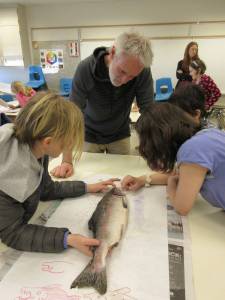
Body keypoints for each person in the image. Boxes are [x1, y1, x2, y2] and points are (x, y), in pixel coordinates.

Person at [0, 92, 118, 255]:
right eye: (65, 144)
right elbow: (12, 234)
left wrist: (87, 187)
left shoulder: (36, 150)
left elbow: (46, 189)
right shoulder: (8, 175)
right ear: (48, 141)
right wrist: (65, 239)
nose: (68, 147)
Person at [51, 31, 154, 178]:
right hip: (89, 134)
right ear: (112, 53)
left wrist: (155, 155)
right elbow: (71, 116)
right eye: (122, 71)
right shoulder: (85, 69)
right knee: (87, 178)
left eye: (132, 76)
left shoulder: (142, 70)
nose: (125, 80)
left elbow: (149, 114)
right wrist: (66, 161)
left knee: (122, 178)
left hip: (120, 133)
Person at [122, 102, 225, 216]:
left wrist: (171, 184)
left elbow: (182, 207)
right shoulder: (207, 133)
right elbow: (180, 174)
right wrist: (142, 180)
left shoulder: (192, 150)